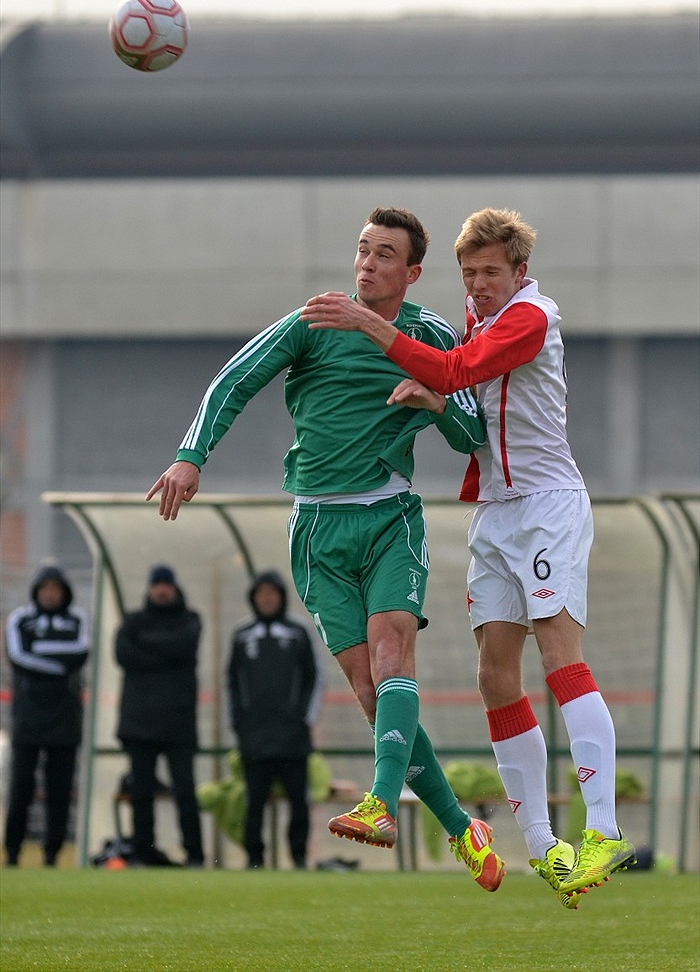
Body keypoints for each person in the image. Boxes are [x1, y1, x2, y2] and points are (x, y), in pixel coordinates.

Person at [146, 206, 505, 892]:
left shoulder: (429, 333)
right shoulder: (317, 319)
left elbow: (474, 437)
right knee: (372, 691)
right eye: (363, 251)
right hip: (316, 530)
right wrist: (191, 457)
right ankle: (463, 829)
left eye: (384, 254)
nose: (368, 264)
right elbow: (234, 380)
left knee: (393, 653)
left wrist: (436, 402)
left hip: (389, 518)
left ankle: (380, 805)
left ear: (412, 271)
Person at [300, 206, 636, 908]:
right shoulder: (479, 318)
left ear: (519, 271)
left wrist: (376, 328)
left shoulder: (530, 316)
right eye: (470, 273)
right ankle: (545, 847)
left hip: (546, 505)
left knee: (560, 658)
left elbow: (458, 369)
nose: (479, 284)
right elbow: (466, 412)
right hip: (497, 513)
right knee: (493, 676)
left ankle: (603, 829)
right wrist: (433, 402)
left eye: (491, 272)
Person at [228, 570, 323, 869]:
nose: (266, 598)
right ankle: (254, 858)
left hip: (292, 736)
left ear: (281, 597)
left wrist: (303, 719)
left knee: (298, 801)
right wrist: (239, 724)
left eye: (272, 593)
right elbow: (230, 683)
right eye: (261, 593)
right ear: (253, 598)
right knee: (254, 801)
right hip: (254, 736)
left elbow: (314, 678)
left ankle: (298, 857)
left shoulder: (298, 633)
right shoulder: (241, 636)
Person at [115, 564, 204, 867]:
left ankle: (194, 855)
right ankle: (143, 854)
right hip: (139, 724)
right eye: (158, 584)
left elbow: (184, 646)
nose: (162, 589)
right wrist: (167, 653)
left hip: (178, 723)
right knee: (142, 794)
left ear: (174, 587)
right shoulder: (133, 620)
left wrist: (146, 644)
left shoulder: (190, 620)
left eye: (167, 583)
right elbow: (122, 654)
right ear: (150, 588)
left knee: (185, 792)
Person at [4, 563, 90, 867]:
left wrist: (40, 651)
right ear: (36, 591)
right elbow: (18, 657)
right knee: (21, 789)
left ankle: (52, 854)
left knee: (60, 790)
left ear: (64, 592)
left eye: (55, 588)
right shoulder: (20, 620)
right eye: (45, 588)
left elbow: (81, 653)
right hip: (27, 718)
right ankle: (12, 853)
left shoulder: (77, 618)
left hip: (65, 718)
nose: (50, 594)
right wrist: (58, 665)